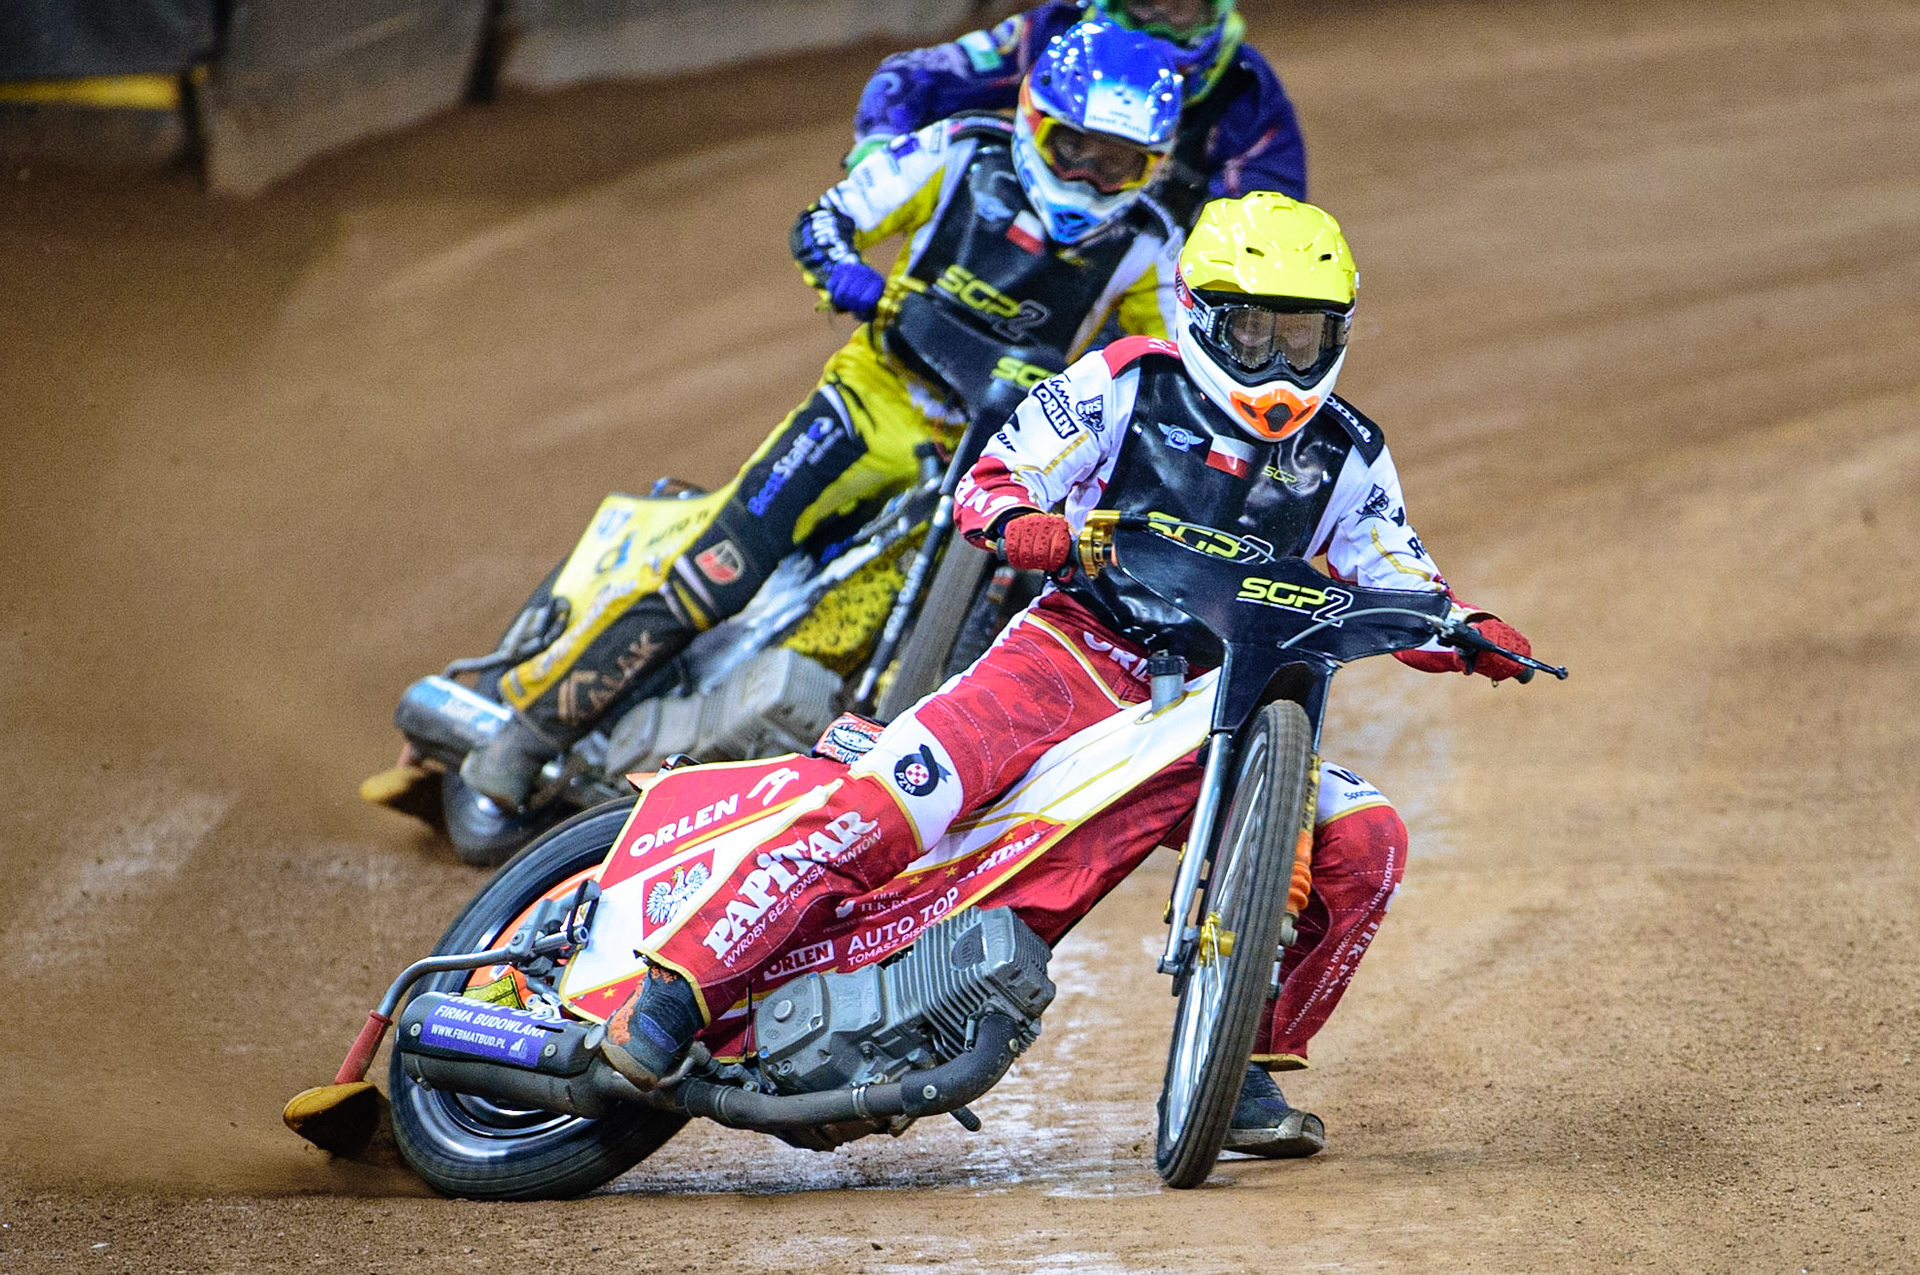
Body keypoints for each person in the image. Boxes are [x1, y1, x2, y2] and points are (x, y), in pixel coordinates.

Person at [597, 192, 1536, 1160]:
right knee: (885, 812)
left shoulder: (1347, 450)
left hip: (1224, 705)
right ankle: (675, 989)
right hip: (1067, 657)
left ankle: (1241, 1063)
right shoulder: (1126, 379)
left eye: (1302, 338)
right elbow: (994, 479)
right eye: (1252, 332)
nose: (1277, 361)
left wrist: (1467, 630)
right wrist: (1024, 523)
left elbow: (1403, 580)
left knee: (1365, 840)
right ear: (1200, 316)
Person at [460, 23, 1189, 809]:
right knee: (723, 568)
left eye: (1116, 164)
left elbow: (1162, 372)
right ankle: (520, 743)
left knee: (1020, 604)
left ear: (1154, 167)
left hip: (1000, 453)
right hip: (874, 401)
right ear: (1031, 118)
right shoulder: (957, 153)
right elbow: (823, 221)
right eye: (1071, 147)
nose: (1085, 177)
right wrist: (853, 280)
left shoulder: (1150, 244)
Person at [849, 0, 1306, 226]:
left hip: (1130, 305)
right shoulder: (1052, 32)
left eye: (1178, 5)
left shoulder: (1248, 94)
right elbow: (908, 77)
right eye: (1143, 1)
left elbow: (1262, 232)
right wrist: (877, 149)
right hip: (995, 258)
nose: (1157, 20)